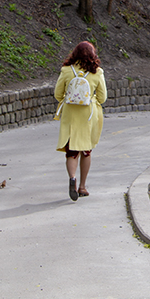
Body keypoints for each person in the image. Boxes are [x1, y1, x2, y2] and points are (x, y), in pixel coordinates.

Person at [53, 41, 107, 201]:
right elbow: (103, 98)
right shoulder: (97, 72)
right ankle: (82, 186)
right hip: (89, 115)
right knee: (86, 150)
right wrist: (90, 99)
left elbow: (57, 94)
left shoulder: (66, 70)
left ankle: (72, 178)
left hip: (70, 114)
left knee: (72, 151)